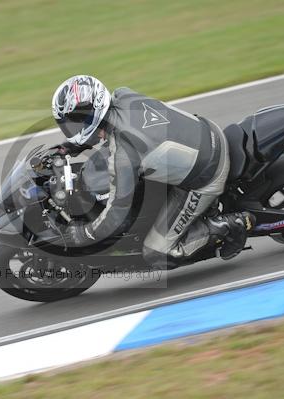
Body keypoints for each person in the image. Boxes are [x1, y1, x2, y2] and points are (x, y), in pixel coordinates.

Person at [50, 75, 255, 266]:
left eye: (76, 124)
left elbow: (116, 214)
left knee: (155, 253)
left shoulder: (124, 156)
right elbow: (109, 128)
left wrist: (85, 234)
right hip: (207, 131)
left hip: (206, 175)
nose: (72, 129)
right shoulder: (123, 95)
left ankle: (229, 225)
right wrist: (75, 145)